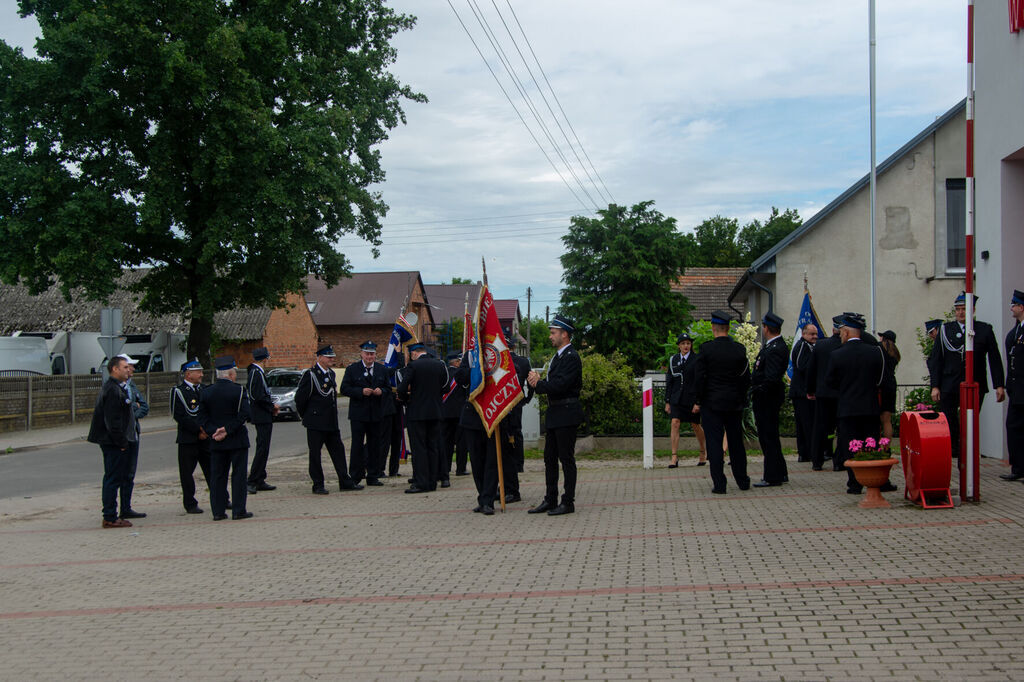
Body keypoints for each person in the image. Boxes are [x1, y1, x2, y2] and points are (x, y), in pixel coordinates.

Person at [929, 292, 1006, 461]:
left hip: (974, 384)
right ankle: (954, 450)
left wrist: (999, 385)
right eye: (957, 309)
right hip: (949, 384)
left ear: (973, 310)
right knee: (949, 421)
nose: (960, 313)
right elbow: (936, 360)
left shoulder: (984, 330)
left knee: (970, 423)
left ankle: (968, 456)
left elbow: (994, 358)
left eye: (964, 309)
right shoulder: (945, 330)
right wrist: (935, 386)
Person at [526, 315, 584, 516]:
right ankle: (550, 499)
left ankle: (568, 501)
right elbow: (554, 382)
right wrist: (539, 381)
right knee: (549, 459)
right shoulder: (558, 356)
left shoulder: (571, 357)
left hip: (567, 413)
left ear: (564, 334)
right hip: (555, 413)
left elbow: (560, 385)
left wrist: (538, 384)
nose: (550, 336)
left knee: (566, 459)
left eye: (553, 332)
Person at [825, 312, 888, 495]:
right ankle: (873, 480)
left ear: (845, 332)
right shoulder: (875, 352)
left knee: (850, 446)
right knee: (870, 443)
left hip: (847, 408)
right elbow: (881, 379)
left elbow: (830, 381)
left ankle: (854, 483)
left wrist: (844, 390)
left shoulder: (837, 355)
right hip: (869, 408)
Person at [692, 310, 751, 494]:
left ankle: (720, 484)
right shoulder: (739, 350)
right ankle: (742, 480)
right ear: (728, 328)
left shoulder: (706, 349)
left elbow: (699, 377)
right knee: (736, 443)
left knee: (714, 443)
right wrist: (741, 398)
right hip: (734, 403)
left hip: (712, 403)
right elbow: (745, 378)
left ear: (713, 328)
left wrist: (699, 399)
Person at [295, 345, 361, 494]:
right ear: (319, 357)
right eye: (328, 357)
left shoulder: (331, 373)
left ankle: (345, 481)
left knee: (338, 451)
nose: (332, 359)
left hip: (331, 422)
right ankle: (318, 484)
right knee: (315, 455)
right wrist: (306, 415)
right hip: (315, 422)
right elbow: (300, 399)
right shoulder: (311, 375)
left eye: (332, 357)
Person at [198, 356, 253, 521]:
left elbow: (201, 417)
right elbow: (245, 414)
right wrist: (227, 430)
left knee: (217, 476)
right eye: (234, 373)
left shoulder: (206, 392)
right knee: (238, 476)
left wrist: (214, 431)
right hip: (236, 440)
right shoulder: (239, 390)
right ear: (230, 374)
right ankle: (238, 510)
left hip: (216, 440)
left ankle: (218, 511)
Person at [86, 355, 137, 528]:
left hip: (114, 441)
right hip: (113, 442)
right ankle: (109, 516)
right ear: (114, 369)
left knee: (114, 477)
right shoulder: (113, 390)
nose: (128, 370)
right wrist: (122, 443)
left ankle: (111, 514)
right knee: (112, 478)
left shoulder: (117, 388)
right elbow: (112, 422)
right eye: (124, 367)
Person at [399, 342, 449, 493]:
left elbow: (402, 388)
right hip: (435, 412)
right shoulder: (439, 365)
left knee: (419, 449)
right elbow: (446, 387)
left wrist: (405, 398)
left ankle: (422, 482)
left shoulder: (413, 367)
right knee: (433, 447)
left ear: (414, 354)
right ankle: (432, 482)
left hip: (417, 413)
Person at [340, 340, 391, 486]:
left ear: (376, 355)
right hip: (358, 414)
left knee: (375, 445)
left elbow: (388, 388)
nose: (370, 357)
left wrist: (382, 391)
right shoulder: (352, 369)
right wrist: (360, 391)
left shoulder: (382, 370)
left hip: (376, 413)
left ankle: (373, 475)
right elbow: (344, 389)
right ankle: (355, 475)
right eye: (367, 354)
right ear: (361, 354)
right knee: (357, 445)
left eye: (372, 354)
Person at [171, 358, 213, 514]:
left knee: (212, 470)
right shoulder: (179, 391)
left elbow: (209, 411)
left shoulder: (204, 389)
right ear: (188, 374)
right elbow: (180, 416)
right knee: (187, 473)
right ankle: (190, 503)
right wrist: (198, 431)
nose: (201, 375)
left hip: (205, 438)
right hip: (188, 438)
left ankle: (220, 498)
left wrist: (206, 430)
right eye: (198, 372)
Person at [752, 312, 789, 487]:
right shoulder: (772, 346)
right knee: (771, 435)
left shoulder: (776, 348)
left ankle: (772, 475)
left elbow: (772, 377)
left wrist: (759, 389)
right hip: (767, 397)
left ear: (767, 328)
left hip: (767, 398)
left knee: (768, 436)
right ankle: (780, 471)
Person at [499, 327, 533, 502]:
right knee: (513, 440)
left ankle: (509, 487)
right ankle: (513, 474)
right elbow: (532, 383)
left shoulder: (499, 362)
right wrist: (527, 398)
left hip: (503, 407)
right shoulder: (523, 362)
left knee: (506, 445)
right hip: (515, 405)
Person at [806, 316, 844, 471]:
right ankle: (839, 461)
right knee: (841, 428)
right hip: (841, 394)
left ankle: (817, 460)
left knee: (820, 428)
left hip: (823, 394)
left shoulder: (820, 346)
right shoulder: (844, 346)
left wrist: (810, 390)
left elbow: (811, 370)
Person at [664, 332, 706, 468]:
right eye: (683, 344)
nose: (686, 346)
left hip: (691, 398)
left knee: (695, 425)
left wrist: (698, 401)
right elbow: (670, 381)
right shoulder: (673, 360)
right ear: (679, 346)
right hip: (677, 398)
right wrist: (667, 401)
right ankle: (674, 456)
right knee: (675, 422)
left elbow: (700, 380)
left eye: (688, 343)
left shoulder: (696, 359)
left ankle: (702, 451)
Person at [116, 353, 148, 520]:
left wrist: (133, 413)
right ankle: (114, 510)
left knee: (130, 474)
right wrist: (131, 410)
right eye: (129, 366)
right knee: (119, 474)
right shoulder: (116, 387)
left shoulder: (132, 386)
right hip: (123, 437)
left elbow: (144, 406)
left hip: (134, 433)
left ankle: (126, 507)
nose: (133, 369)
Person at [246, 347, 279, 494]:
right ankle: (252, 480)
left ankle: (260, 478)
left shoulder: (258, 373)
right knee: (262, 448)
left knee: (264, 448)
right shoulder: (255, 373)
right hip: (261, 415)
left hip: (264, 414)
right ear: (264, 359)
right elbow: (257, 395)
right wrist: (271, 406)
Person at [1001, 289, 1024, 481]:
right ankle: (1018, 468)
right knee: (1013, 427)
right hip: (1017, 390)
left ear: (1021, 307)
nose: (1011, 308)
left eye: (1014, 305)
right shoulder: (1015, 332)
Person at [790, 323, 818, 463]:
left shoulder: (809, 346)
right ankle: (808, 452)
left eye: (816, 334)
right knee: (806, 424)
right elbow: (801, 366)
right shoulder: (802, 346)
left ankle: (805, 453)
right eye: (812, 334)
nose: (815, 337)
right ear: (804, 334)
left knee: (805, 424)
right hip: (801, 392)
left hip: (802, 391)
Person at [441, 352, 469, 477]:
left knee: (447, 442)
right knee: (461, 443)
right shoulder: (460, 374)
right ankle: (460, 468)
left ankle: (446, 467)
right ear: (457, 362)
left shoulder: (444, 373)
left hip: (445, 413)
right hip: (460, 413)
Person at [878, 330, 901, 447]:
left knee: (877, 419)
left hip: (881, 386)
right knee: (887, 420)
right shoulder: (895, 353)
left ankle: (876, 446)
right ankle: (886, 448)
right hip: (891, 385)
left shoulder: (879, 350)